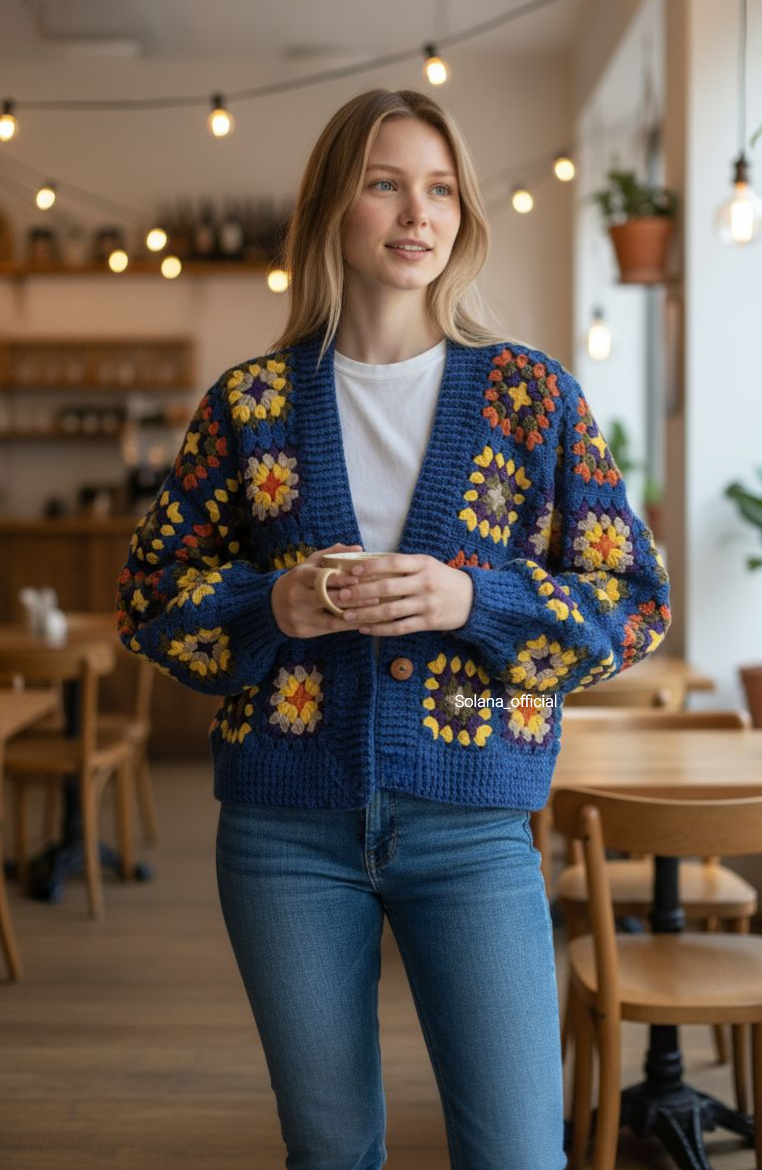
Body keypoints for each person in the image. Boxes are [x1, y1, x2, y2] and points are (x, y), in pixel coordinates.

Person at [116, 88, 671, 1170]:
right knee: (331, 1153)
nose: (417, 214)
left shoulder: (526, 399)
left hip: (473, 834)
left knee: (518, 1152)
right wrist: (268, 606)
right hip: (283, 833)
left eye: (441, 189)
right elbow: (150, 597)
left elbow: (635, 600)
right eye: (384, 183)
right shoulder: (253, 406)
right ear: (334, 205)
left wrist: (477, 603)